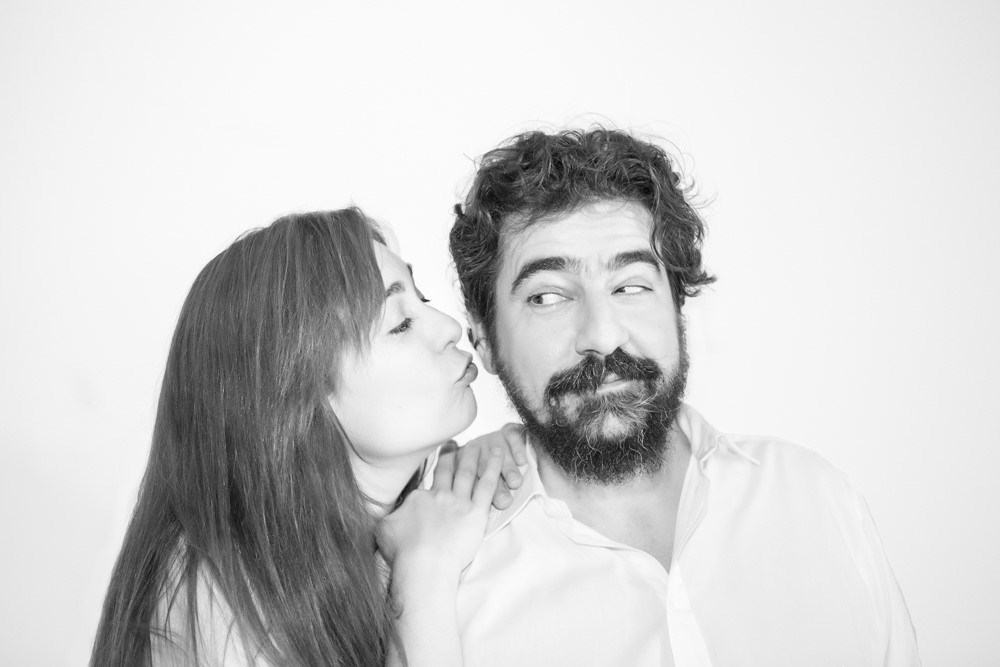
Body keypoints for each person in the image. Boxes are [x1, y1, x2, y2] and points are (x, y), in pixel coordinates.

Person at [448, 128, 921, 666]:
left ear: (677, 306)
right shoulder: (449, 582)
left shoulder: (816, 496)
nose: (603, 335)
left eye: (631, 286)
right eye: (548, 297)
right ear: (484, 340)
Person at [91, 208, 525, 666]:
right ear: (296, 395)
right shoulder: (218, 603)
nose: (450, 328)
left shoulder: (413, 512)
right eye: (399, 324)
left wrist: (474, 467)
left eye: (424, 300)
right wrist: (424, 575)